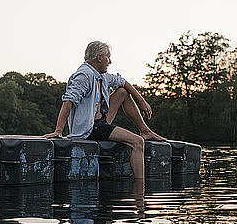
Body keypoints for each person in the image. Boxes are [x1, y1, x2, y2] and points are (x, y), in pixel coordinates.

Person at [44, 41, 164, 179]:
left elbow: (122, 82)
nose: (110, 61)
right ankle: (139, 191)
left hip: (102, 121)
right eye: (108, 57)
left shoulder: (102, 75)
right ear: (99, 58)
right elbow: (68, 102)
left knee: (122, 92)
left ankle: (145, 130)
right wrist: (58, 130)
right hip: (90, 128)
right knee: (138, 142)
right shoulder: (84, 75)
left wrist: (142, 101)